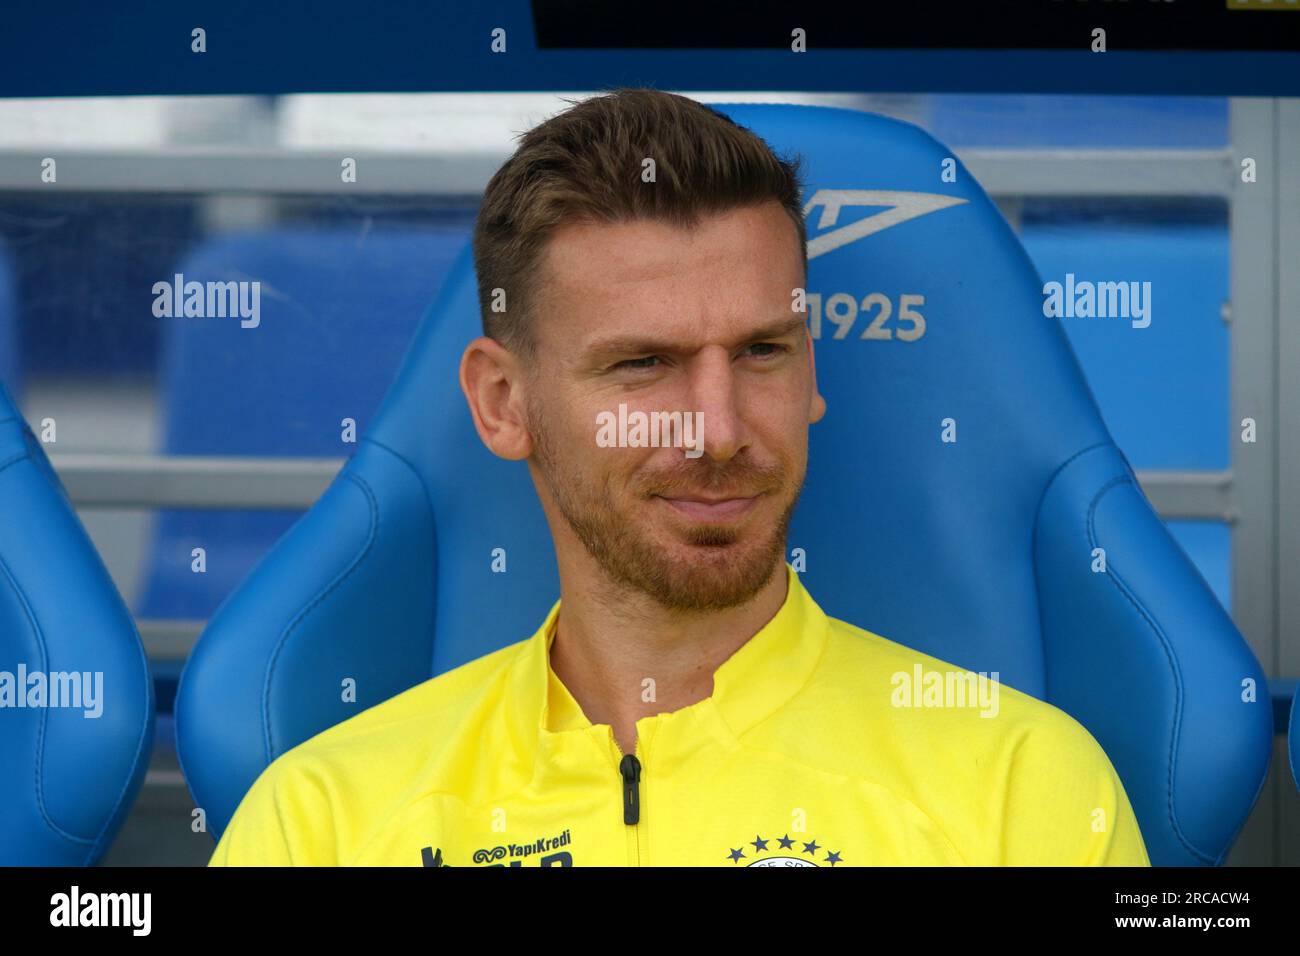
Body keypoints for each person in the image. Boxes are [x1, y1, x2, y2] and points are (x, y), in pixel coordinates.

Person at [209, 88, 1149, 867]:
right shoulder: (321, 822)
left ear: (812, 371)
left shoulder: (1024, 791)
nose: (719, 429)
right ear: (503, 403)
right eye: (642, 364)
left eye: (763, 351)